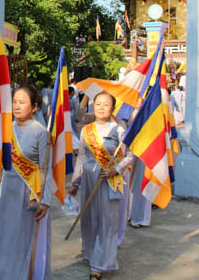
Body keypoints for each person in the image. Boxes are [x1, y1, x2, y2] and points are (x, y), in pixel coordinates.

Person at [68, 92, 135, 279]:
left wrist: (116, 169)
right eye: (98, 104)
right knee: (89, 219)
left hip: (109, 181)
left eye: (106, 104)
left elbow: (130, 155)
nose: (101, 108)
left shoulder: (119, 130)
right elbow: (81, 157)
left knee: (107, 221)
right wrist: (75, 182)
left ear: (112, 108)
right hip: (89, 180)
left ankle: (100, 264)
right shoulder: (86, 130)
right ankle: (91, 254)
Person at [0, 86, 52, 280]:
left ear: (34, 106)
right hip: (7, 190)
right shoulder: (6, 129)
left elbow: (46, 168)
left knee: (24, 238)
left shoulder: (40, 132)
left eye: (22, 102)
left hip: (29, 193)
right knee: (4, 235)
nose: (17, 106)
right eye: (14, 102)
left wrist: (45, 200)